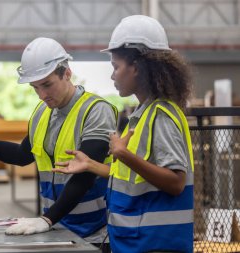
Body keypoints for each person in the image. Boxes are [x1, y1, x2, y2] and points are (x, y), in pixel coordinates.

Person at [53, 15, 194, 253]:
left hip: (156, 245)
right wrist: (92, 166)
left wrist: (123, 154)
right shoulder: (143, 114)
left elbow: (176, 182)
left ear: (136, 68)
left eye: (115, 67)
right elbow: (135, 178)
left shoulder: (161, 115)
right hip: (135, 243)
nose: (112, 76)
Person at [0, 37, 118, 252]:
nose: (42, 95)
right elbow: (20, 156)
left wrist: (47, 219)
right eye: (35, 87)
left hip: (96, 233)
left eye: (47, 85)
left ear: (67, 73)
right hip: (59, 229)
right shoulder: (42, 113)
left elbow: (84, 175)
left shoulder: (95, 111)